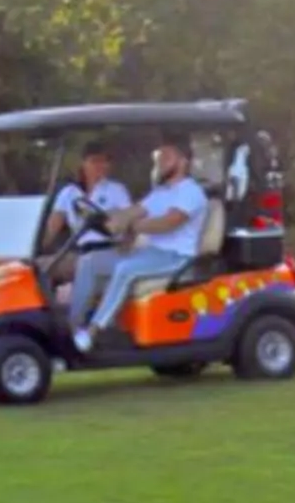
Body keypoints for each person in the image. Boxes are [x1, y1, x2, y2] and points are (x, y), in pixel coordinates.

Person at [69, 137, 209, 353]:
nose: (161, 161)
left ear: (183, 162)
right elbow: (134, 211)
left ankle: (93, 331)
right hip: (150, 252)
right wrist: (108, 218)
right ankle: (73, 326)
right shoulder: (161, 192)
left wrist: (133, 226)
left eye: (167, 157)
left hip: (176, 256)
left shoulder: (190, 192)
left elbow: (168, 223)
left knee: (125, 268)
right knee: (90, 262)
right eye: (159, 157)